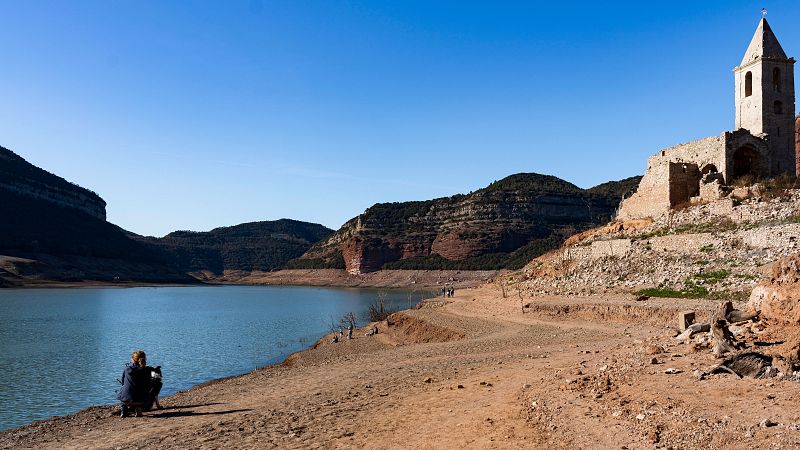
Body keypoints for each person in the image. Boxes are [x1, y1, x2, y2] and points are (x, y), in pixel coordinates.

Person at [116, 350, 163, 417]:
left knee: (123, 390)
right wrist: (157, 372)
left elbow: (123, 382)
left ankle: (123, 410)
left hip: (125, 400)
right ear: (145, 359)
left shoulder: (127, 369)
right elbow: (158, 380)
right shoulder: (150, 369)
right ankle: (138, 408)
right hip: (142, 401)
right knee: (157, 385)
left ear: (132, 359)